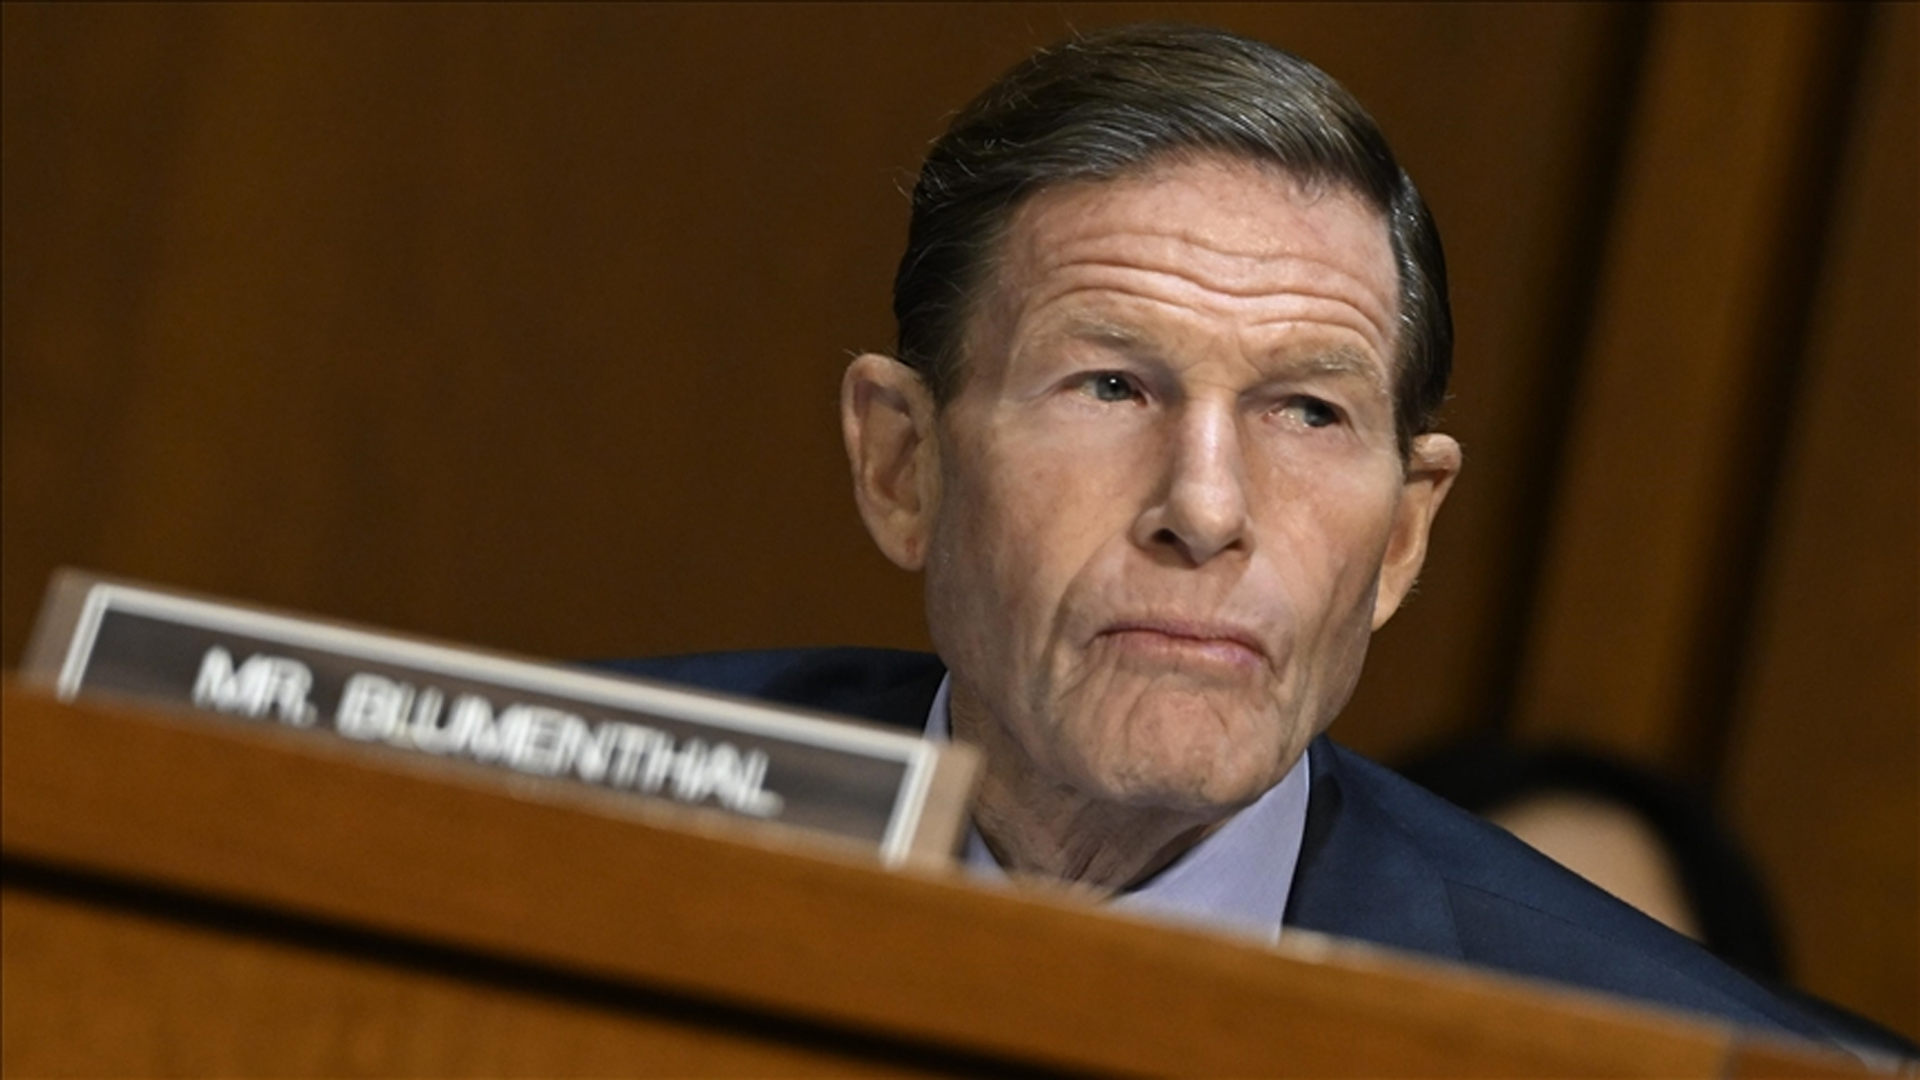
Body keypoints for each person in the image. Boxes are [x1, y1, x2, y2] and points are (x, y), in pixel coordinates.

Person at [604, 23, 1911, 1059]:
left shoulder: (1665, 1059)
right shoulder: (559, 818)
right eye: (1112, 386)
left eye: (1307, 410)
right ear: (903, 464)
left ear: (1402, 535)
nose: (1208, 507)